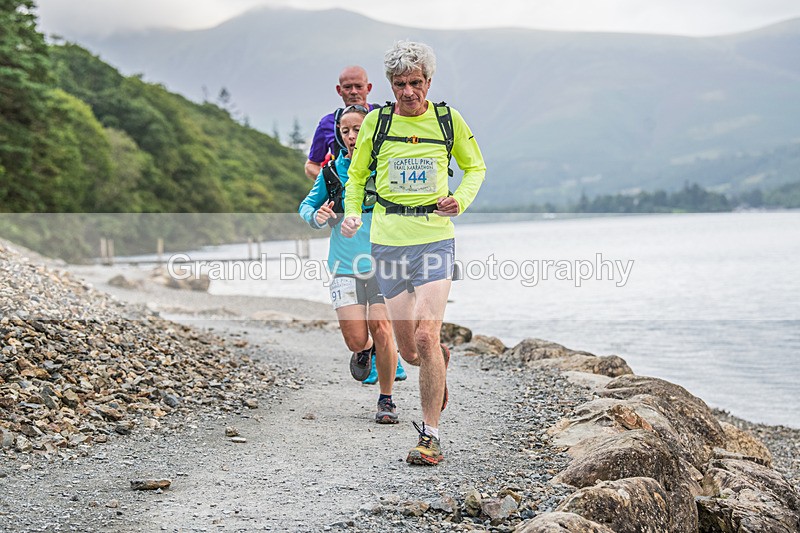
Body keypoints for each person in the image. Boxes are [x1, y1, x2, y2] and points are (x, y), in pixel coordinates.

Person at [341, 41, 486, 465]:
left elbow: (475, 167)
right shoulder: (377, 122)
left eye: (416, 83)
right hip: (387, 241)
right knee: (410, 352)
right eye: (400, 84)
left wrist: (460, 200)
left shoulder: (447, 120)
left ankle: (431, 437)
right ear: (390, 84)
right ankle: (437, 363)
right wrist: (353, 212)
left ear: (429, 81)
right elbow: (356, 176)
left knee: (426, 334)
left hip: (435, 238)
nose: (409, 92)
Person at [298, 104, 406, 424]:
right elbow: (306, 206)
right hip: (344, 265)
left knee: (383, 328)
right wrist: (317, 216)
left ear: (370, 131)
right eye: (345, 130)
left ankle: (386, 400)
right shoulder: (332, 172)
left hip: (384, 263)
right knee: (356, 339)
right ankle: (366, 349)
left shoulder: (386, 167)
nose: (351, 135)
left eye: (358, 129)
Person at [304, 66, 378, 180]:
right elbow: (311, 165)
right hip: (344, 187)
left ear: (368, 88)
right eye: (348, 87)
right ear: (339, 90)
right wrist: (332, 181)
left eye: (359, 86)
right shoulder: (328, 123)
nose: (353, 92)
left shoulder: (383, 116)